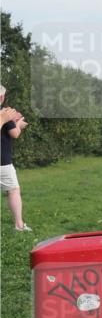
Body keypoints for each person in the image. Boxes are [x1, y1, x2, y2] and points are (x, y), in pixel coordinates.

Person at [0, 86, 31, 232]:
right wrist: (18, 124)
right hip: (3, 162)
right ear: (2, 97)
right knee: (13, 190)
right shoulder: (5, 113)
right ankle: (19, 225)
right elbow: (15, 134)